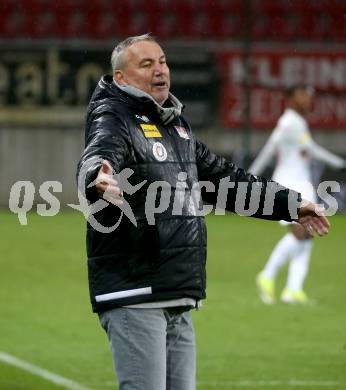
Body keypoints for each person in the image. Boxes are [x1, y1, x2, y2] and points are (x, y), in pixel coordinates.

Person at [77, 35, 330, 390]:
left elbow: (228, 181)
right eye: (146, 64)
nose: (160, 69)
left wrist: (291, 205)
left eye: (162, 61)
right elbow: (100, 151)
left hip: (176, 291)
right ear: (121, 78)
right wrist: (96, 176)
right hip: (135, 291)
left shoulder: (176, 126)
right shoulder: (113, 114)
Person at [249, 85, 345, 305]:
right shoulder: (290, 123)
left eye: (310, 96)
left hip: (301, 183)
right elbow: (310, 149)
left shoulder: (294, 122)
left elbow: (270, 149)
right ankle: (267, 274)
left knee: (308, 235)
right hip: (289, 184)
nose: (308, 99)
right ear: (290, 98)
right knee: (301, 232)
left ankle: (293, 290)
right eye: (303, 95)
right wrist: (340, 163)